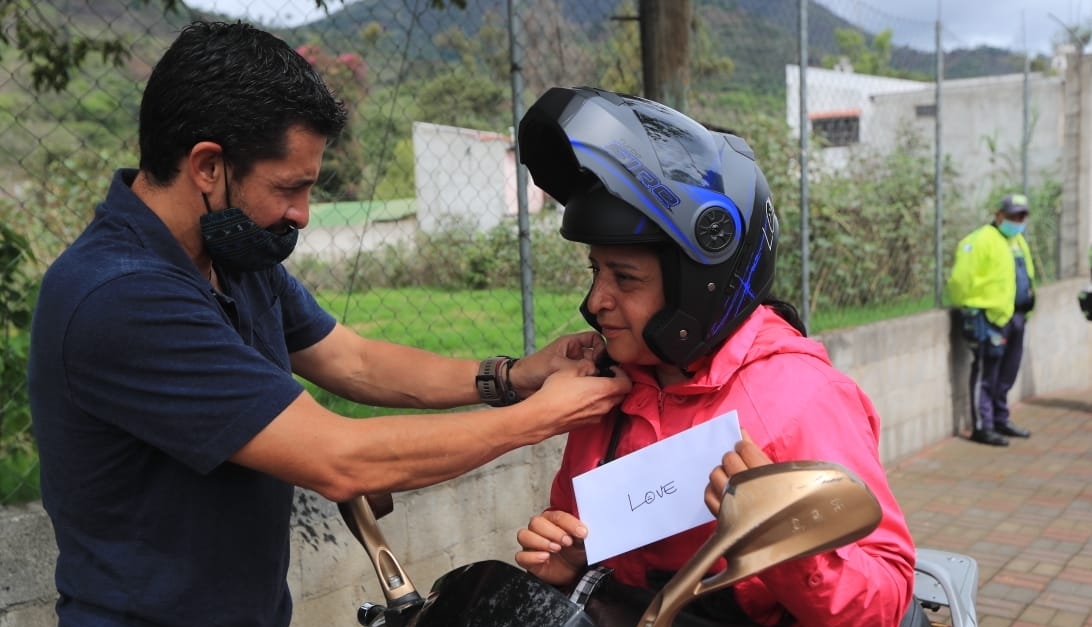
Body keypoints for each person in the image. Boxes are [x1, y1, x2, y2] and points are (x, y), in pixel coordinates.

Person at [26, 23, 631, 627]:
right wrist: (542, 417)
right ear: (208, 166)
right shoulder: (122, 295)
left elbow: (353, 360)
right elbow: (340, 459)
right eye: (289, 187)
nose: (303, 215)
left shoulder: (232, 253)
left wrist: (516, 377)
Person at [512, 86, 915, 627]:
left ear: (698, 285)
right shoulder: (606, 388)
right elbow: (586, 540)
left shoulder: (801, 401)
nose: (595, 302)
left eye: (624, 278)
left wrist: (788, 542)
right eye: (595, 271)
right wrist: (570, 560)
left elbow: (886, 599)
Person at [946, 194, 1036, 447]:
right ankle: (982, 426)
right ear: (998, 215)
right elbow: (959, 281)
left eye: (1022, 216)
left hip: (1015, 316)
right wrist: (972, 308)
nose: (1018, 221)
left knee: (1007, 372)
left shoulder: (1017, 241)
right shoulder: (979, 240)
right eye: (1013, 216)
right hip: (988, 317)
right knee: (987, 371)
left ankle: (1000, 419)